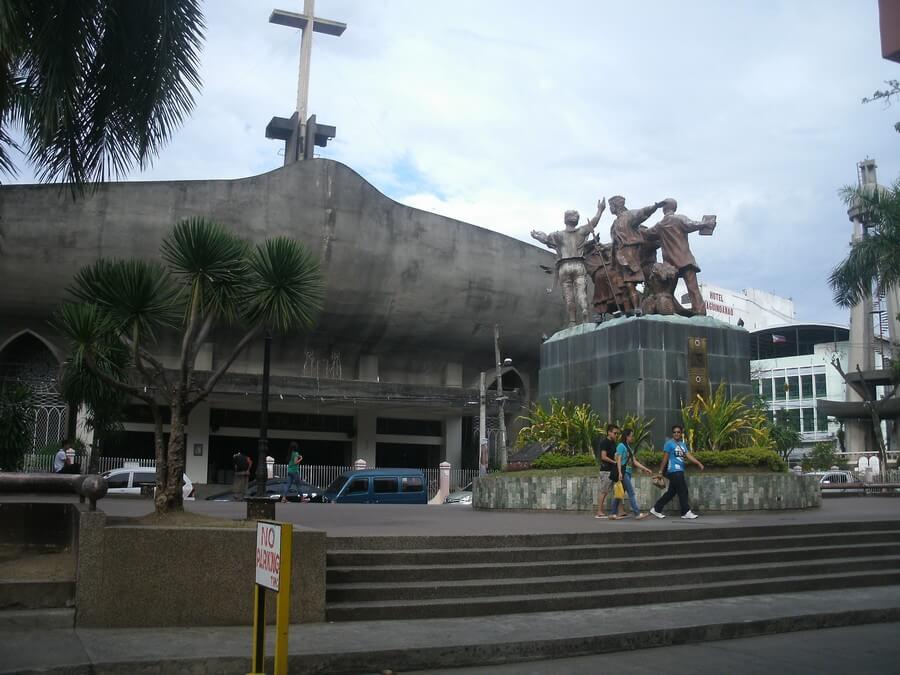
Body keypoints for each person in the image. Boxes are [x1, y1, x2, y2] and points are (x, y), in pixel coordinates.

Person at [530, 197, 606, 326]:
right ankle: (585, 313)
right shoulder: (582, 231)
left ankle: (572, 321)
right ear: (576, 220)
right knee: (581, 292)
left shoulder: (558, 235)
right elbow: (594, 222)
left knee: (568, 295)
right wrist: (600, 210)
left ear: (565, 220)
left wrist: (536, 236)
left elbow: (545, 238)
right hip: (579, 265)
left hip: (564, 267)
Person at [648, 198, 716, 315]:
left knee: (668, 292)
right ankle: (699, 312)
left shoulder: (659, 225)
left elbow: (647, 234)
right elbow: (691, 225)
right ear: (674, 208)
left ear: (664, 209)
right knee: (693, 289)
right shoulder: (679, 219)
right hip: (685, 261)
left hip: (670, 266)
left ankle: (669, 311)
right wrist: (706, 223)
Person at [608, 195, 665, 312]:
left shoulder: (628, 216)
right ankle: (627, 311)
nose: (610, 209)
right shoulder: (615, 223)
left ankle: (637, 309)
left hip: (629, 253)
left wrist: (655, 206)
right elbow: (614, 242)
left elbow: (642, 212)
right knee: (623, 286)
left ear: (615, 205)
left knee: (630, 283)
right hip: (618, 256)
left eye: (610, 206)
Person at [650, 424, 705, 520]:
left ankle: (656, 509)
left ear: (681, 434)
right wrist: (660, 472)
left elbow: (688, 455)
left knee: (671, 492)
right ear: (672, 433)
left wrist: (698, 463)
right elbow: (665, 459)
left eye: (678, 432)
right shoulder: (669, 444)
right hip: (674, 471)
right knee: (683, 490)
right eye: (674, 432)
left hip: (680, 470)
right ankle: (685, 512)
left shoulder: (682, 445)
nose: (676, 434)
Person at [609, 428, 653, 520]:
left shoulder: (628, 447)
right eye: (631, 436)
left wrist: (645, 469)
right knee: (631, 493)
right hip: (624, 473)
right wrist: (620, 473)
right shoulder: (621, 446)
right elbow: (619, 460)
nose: (632, 437)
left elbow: (634, 462)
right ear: (627, 436)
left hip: (627, 473)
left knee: (619, 494)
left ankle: (612, 514)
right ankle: (637, 514)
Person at [593, 424, 622, 519]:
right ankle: (599, 511)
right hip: (606, 470)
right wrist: (614, 462)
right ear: (609, 432)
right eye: (615, 433)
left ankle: (620, 510)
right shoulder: (604, 442)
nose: (616, 435)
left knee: (618, 490)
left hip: (613, 470)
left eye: (617, 433)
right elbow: (603, 456)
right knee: (604, 491)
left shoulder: (614, 443)